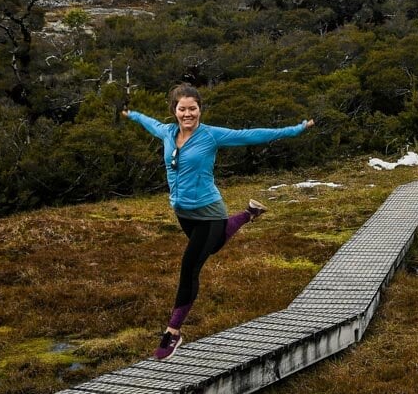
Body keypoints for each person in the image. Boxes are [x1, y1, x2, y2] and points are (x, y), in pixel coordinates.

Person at [123, 83, 314, 360]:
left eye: (193, 108)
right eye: (182, 109)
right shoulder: (167, 132)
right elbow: (148, 122)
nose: (188, 114)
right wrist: (132, 115)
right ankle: (249, 214)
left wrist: (295, 129)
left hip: (210, 212)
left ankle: (172, 333)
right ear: (174, 111)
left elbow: (252, 135)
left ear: (200, 109)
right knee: (211, 248)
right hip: (183, 213)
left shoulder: (211, 136)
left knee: (190, 266)